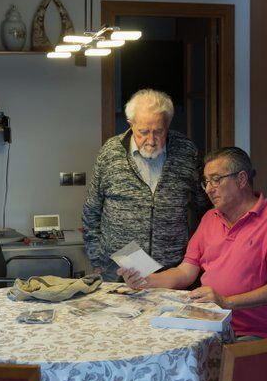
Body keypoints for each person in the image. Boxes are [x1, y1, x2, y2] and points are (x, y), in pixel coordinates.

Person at [119, 146, 267, 338]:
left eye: (216, 179)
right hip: (209, 325)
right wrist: (145, 280)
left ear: (241, 179)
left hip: (255, 333)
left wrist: (226, 301)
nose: (209, 189)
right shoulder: (209, 218)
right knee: (147, 337)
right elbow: (185, 272)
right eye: (206, 182)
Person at [82, 88, 209, 282]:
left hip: (172, 269)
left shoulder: (186, 152)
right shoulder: (110, 152)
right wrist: (97, 261)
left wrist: (199, 254)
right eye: (143, 132)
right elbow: (91, 211)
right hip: (118, 270)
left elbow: (206, 207)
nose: (151, 140)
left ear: (168, 125)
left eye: (159, 131)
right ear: (131, 124)